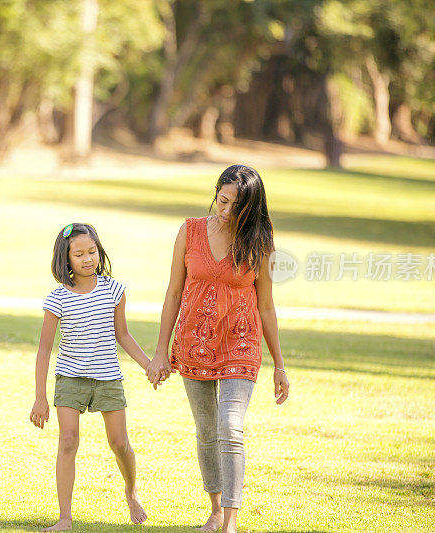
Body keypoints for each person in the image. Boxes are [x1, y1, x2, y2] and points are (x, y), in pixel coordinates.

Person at [146, 165, 290, 533]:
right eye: (222, 200)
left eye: (236, 206)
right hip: (193, 344)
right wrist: (161, 351)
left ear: (251, 208)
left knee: (230, 426)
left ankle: (230, 522)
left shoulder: (260, 243)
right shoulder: (189, 230)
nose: (225, 211)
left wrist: (279, 365)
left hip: (240, 343)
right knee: (207, 429)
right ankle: (215, 509)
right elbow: (174, 293)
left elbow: (267, 306)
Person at [30, 222, 150, 531]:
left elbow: (123, 335)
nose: (87, 259)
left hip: (108, 378)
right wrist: (40, 397)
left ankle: (130, 491)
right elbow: (44, 350)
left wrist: (148, 365)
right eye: (79, 254)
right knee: (68, 441)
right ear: (65, 258)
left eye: (92, 252)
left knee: (120, 443)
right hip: (70, 378)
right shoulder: (57, 298)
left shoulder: (114, 290)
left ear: (100, 252)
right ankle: (65, 518)